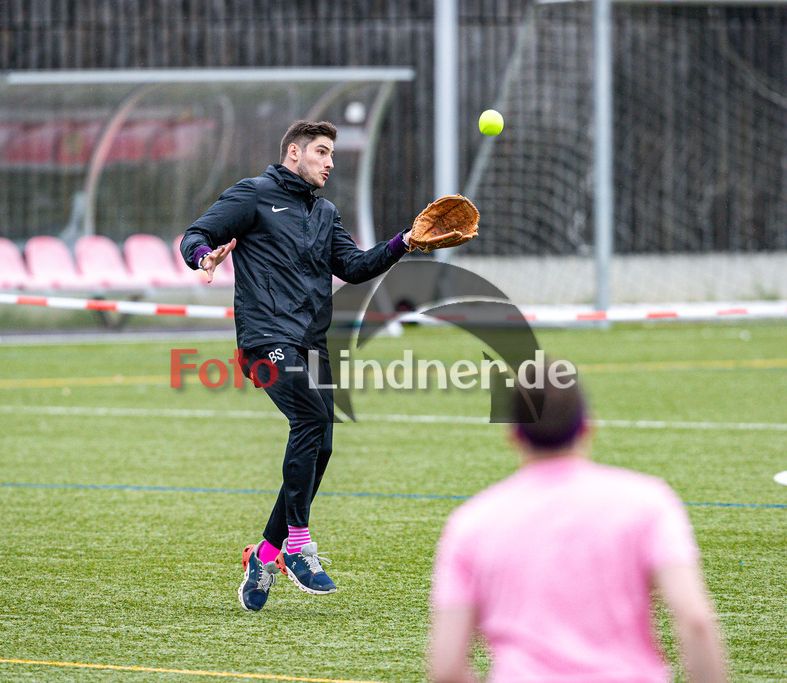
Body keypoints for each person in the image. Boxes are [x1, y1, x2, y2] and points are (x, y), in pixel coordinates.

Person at [180, 120, 416, 612]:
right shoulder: (253, 195)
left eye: (332, 155)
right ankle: (298, 544)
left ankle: (264, 554)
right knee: (310, 419)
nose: (330, 163)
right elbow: (196, 233)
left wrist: (405, 242)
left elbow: (352, 267)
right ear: (294, 153)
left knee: (322, 444)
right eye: (323, 152)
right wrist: (204, 256)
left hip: (312, 343)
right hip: (264, 342)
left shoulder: (325, 212)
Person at [428, 364, 728, 682]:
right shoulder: (647, 502)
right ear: (587, 426)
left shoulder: (472, 523)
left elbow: (446, 666)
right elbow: (694, 620)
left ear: (513, 434)